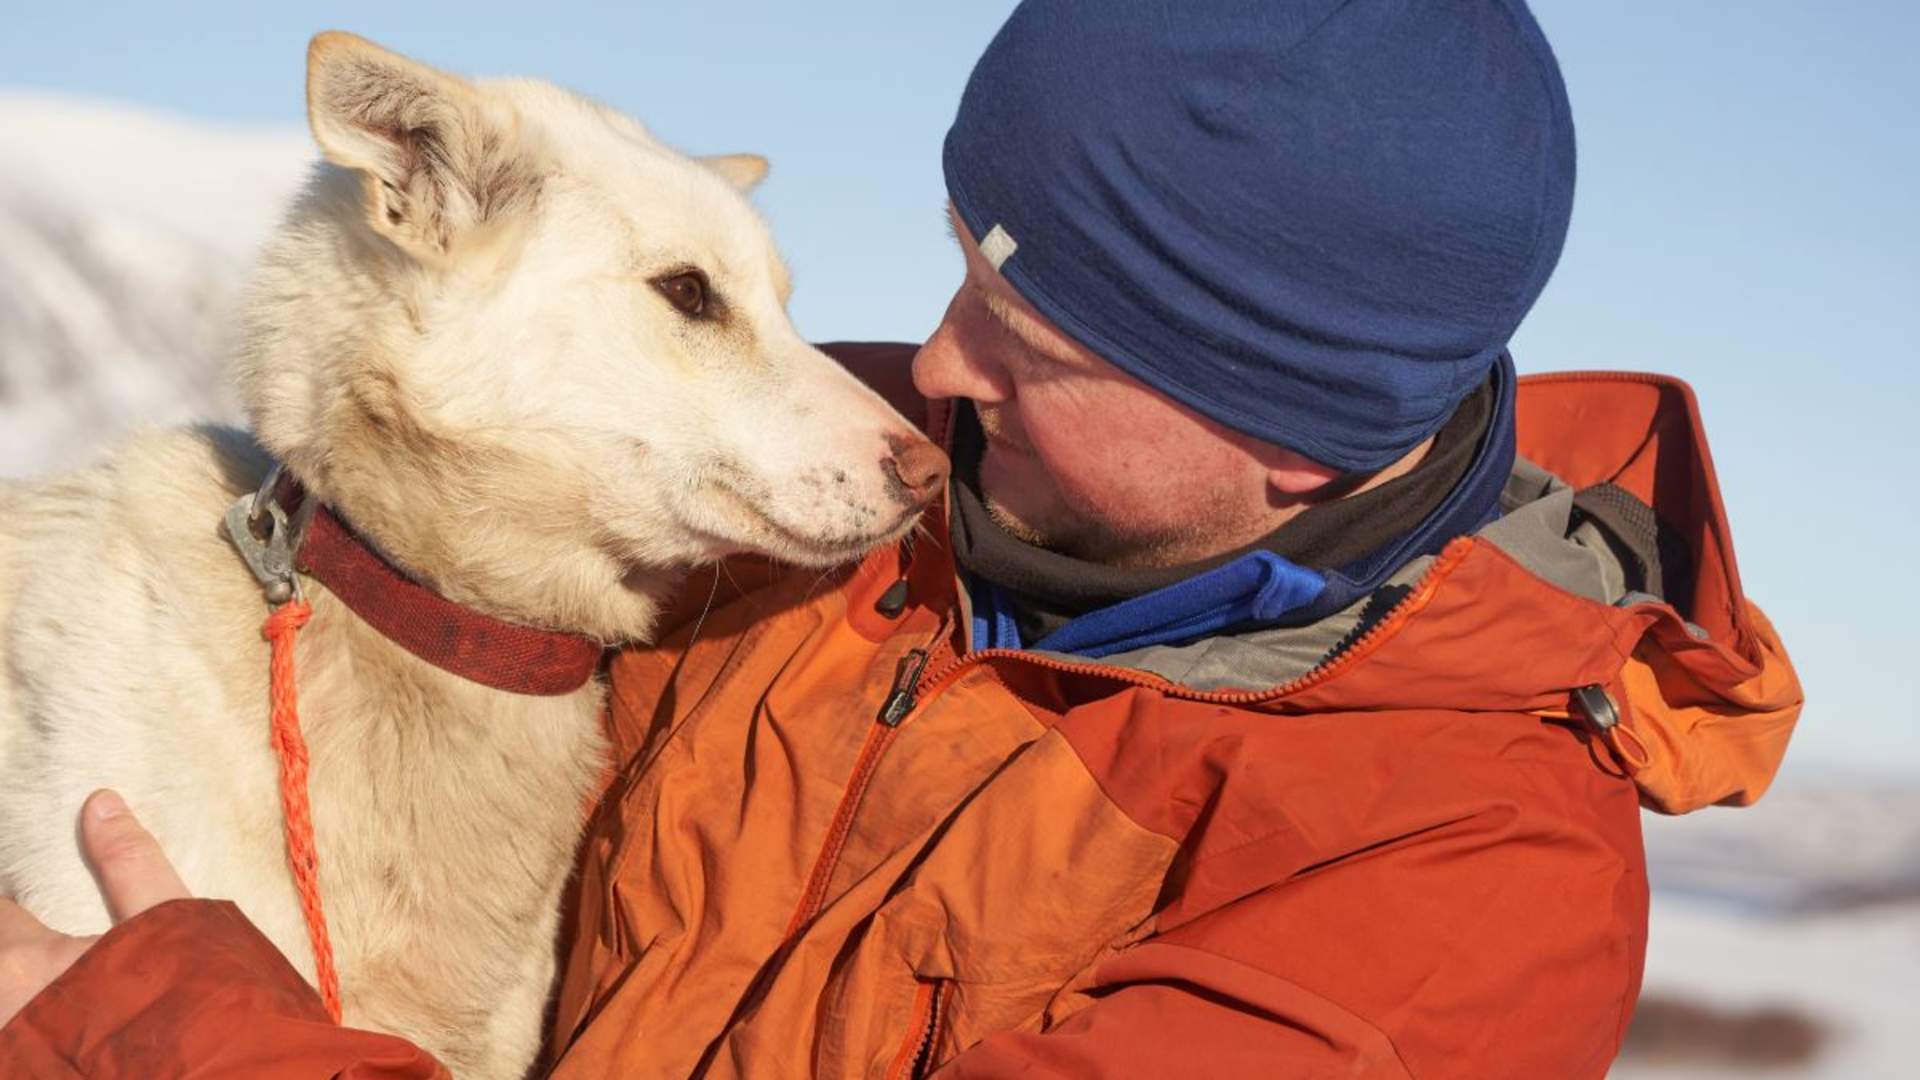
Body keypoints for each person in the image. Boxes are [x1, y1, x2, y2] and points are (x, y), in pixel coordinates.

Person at [0, 1, 1802, 1076]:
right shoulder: (829, 502)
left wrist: (176, 1034)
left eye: (1040, 344)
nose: (927, 366)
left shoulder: (1451, 888)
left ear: (1288, 435)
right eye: (960, 266)